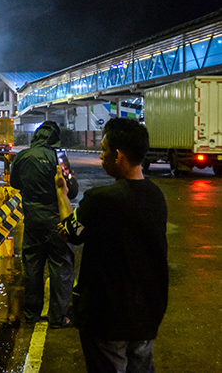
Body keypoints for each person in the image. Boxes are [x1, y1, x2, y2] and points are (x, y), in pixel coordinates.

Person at [56, 118, 168, 373]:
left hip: (108, 317)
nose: (100, 156)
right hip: (147, 314)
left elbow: (69, 233)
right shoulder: (156, 196)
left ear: (118, 155)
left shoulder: (101, 200)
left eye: (104, 151)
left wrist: (61, 193)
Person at [10, 120, 77, 328]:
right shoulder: (59, 158)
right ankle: (59, 317)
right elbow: (72, 190)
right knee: (61, 267)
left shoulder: (21, 157)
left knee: (32, 268)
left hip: (31, 221)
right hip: (56, 221)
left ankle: (31, 314)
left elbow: (14, 183)